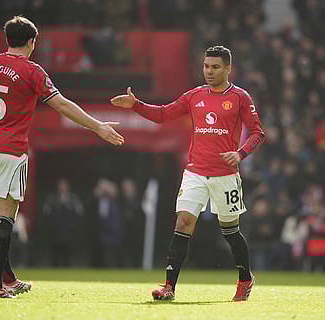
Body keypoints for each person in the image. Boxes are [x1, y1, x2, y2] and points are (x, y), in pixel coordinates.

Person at [0, 15, 124, 299]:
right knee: (5, 219)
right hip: (11, 151)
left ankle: (6, 278)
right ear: (32, 42)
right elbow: (60, 104)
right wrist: (97, 126)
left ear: (7, 39)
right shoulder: (32, 71)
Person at [111, 46, 264, 301]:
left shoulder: (240, 97)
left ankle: (245, 279)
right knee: (183, 222)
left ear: (228, 69)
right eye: (206, 66)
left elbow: (258, 132)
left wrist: (240, 154)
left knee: (230, 231)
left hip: (225, 176)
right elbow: (162, 115)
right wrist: (136, 104)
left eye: (215, 67)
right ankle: (169, 287)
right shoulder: (194, 96)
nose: (209, 71)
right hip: (195, 172)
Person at [42, 178, 84, 267]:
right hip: (56, 230)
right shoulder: (52, 198)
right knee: (55, 251)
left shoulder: (73, 199)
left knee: (68, 251)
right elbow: (46, 212)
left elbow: (79, 212)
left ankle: (68, 266)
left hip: (69, 230)